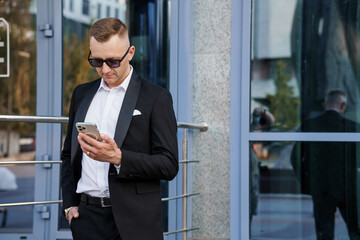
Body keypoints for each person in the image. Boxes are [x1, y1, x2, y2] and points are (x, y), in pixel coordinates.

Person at [60, 18, 178, 240]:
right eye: (96, 61)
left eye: (113, 61)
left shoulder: (156, 98)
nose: (104, 69)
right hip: (86, 219)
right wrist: (70, 205)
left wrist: (119, 157)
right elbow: (68, 155)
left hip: (136, 223)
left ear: (130, 52)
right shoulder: (81, 94)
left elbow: (169, 165)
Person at [291, 89, 359, 239]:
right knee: (355, 231)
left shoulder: (309, 125)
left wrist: (307, 183)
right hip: (348, 188)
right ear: (343, 105)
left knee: (324, 234)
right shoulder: (353, 128)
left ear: (324, 105)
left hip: (321, 187)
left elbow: (295, 158)